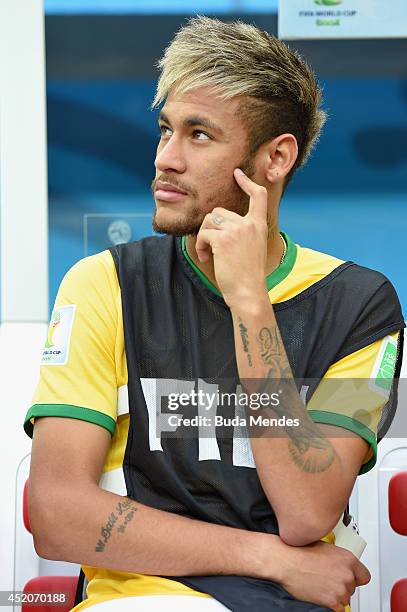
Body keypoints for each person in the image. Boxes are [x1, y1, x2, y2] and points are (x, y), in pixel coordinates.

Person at [24, 15, 405, 612]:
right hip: (139, 603)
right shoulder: (103, 284)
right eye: (165, 129)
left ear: (275, 158)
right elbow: (55, 514)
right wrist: (266, 557)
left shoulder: (362, 305)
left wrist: (249, 302)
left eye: (199, 135)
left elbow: (307, 512)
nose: (165, 159)